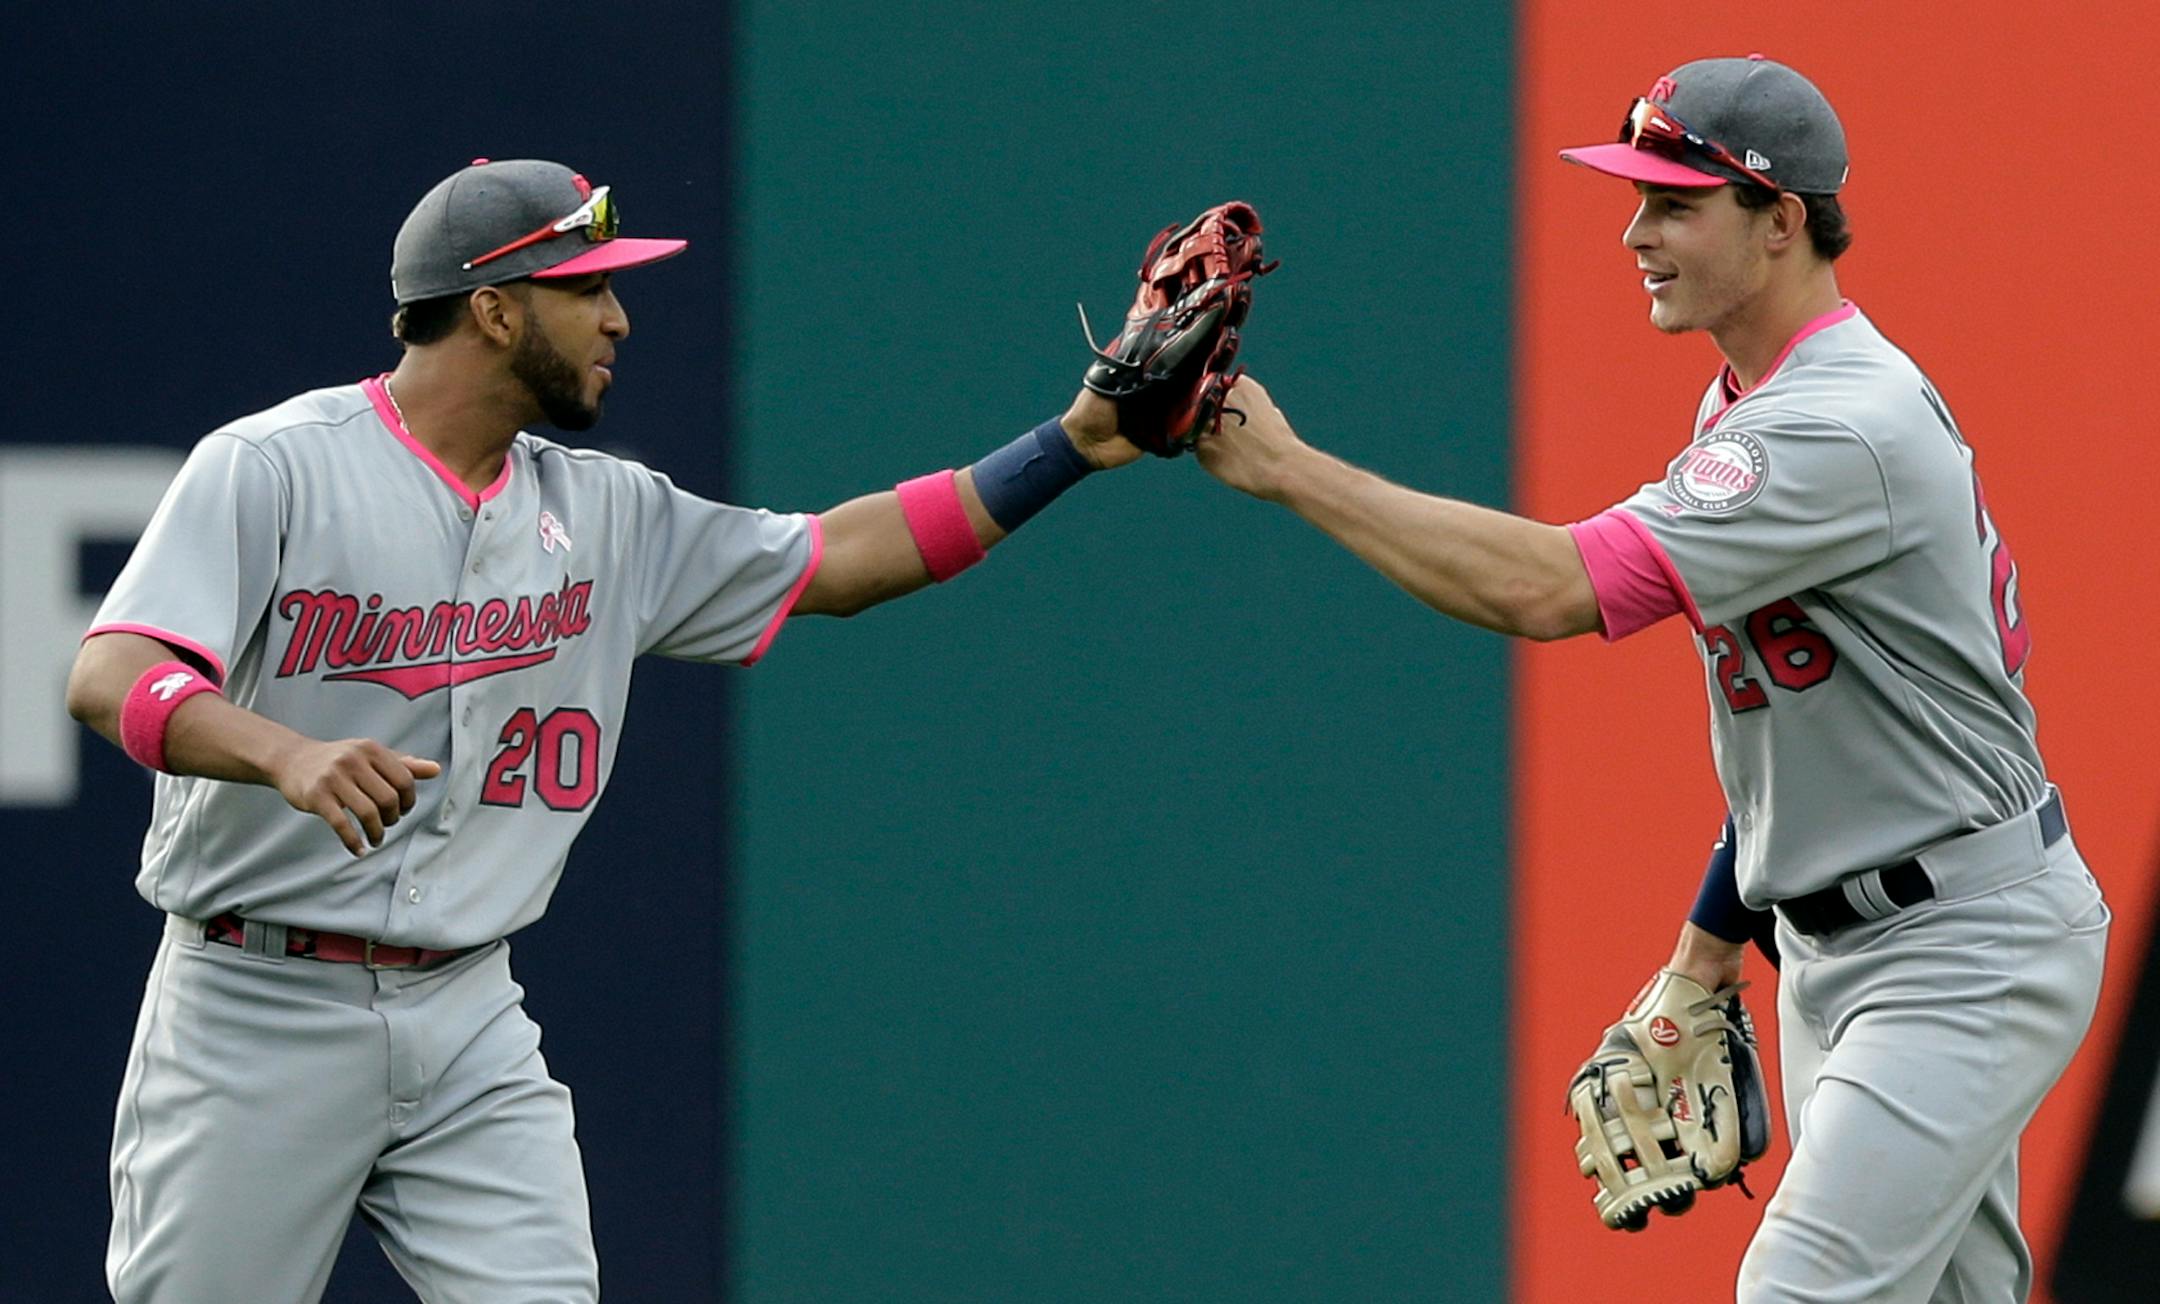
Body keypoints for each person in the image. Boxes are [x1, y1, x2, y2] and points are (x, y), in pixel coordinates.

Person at [67, 157, 1140, 1302]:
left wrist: (1068, 445)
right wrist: (284, 751)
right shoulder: (276, 465)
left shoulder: (604, 509)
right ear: (494, 306)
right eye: (590, 289)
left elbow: (835, 559)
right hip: (254, 1002)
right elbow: (110, 672)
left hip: (466, 1011)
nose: (619, 318)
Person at [1195, 56, 2109, 1303]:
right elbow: (1819, 743)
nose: (1636, 231)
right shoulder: (1754, 404)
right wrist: (1706, 949)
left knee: (1795, 1289)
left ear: (1781, 219)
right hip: (1855, 940)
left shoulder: (1835, 426)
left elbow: (1548, 588)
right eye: (1638, 199)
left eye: (1676, 203)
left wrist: (1293, 468)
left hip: (1959, 942)